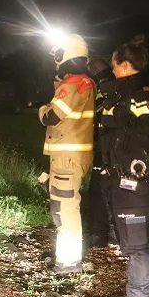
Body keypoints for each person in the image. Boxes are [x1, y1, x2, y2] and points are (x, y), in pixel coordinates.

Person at [101, 35, 149, 297]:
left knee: (135, 247)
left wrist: (130, 174)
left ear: (126, 65)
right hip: (140, 183)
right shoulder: (145, 94)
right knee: (138, 244)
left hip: (134, 184)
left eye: (115, 66)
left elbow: (143, 141)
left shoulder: (138, 96)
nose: (113, 71)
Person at [37, 33, 95, 274]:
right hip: (70, 156)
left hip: (67, 158)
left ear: (69, 56)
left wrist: (41, 109)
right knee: (64, 207)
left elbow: (51, 116)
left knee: (64, 210)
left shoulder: (72, 85)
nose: (56, 62)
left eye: (59, 56)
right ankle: (66, 257)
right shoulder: (82, 83)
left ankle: (69, 263)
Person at [86, 58, 118, 248]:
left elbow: (99, 116)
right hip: (116, 149)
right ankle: (116, 235)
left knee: (98, 191)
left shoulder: (103, 87)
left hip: (105, 148)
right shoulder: (115, 86)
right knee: (113, 191)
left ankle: (99, 236)